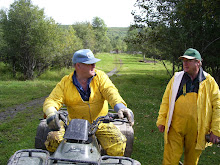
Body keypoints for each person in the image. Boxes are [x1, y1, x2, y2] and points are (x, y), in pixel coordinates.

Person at [43, 49, 134, 156]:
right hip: (73, 125)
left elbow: (111, 92)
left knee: (117, 143)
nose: (94, 66)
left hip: (100, 123)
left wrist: (120, 107)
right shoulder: (65, 83)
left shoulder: (100, 77)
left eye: (94, 63)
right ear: (78, 66)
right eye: (90, 64)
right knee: (54, 140)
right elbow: (52, 100)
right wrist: (51, 112)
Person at [156, 48, 220, 165]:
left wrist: (216, 130)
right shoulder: (176, 78)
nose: (185, 63)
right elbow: (166, 100)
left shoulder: (209, 82)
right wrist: (162, 120)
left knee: (191, 161)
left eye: (189, 61)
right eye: (184, 60)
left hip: (197, 131)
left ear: (198, 62)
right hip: (175, 127)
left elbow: (218, 106)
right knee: (170, 159)